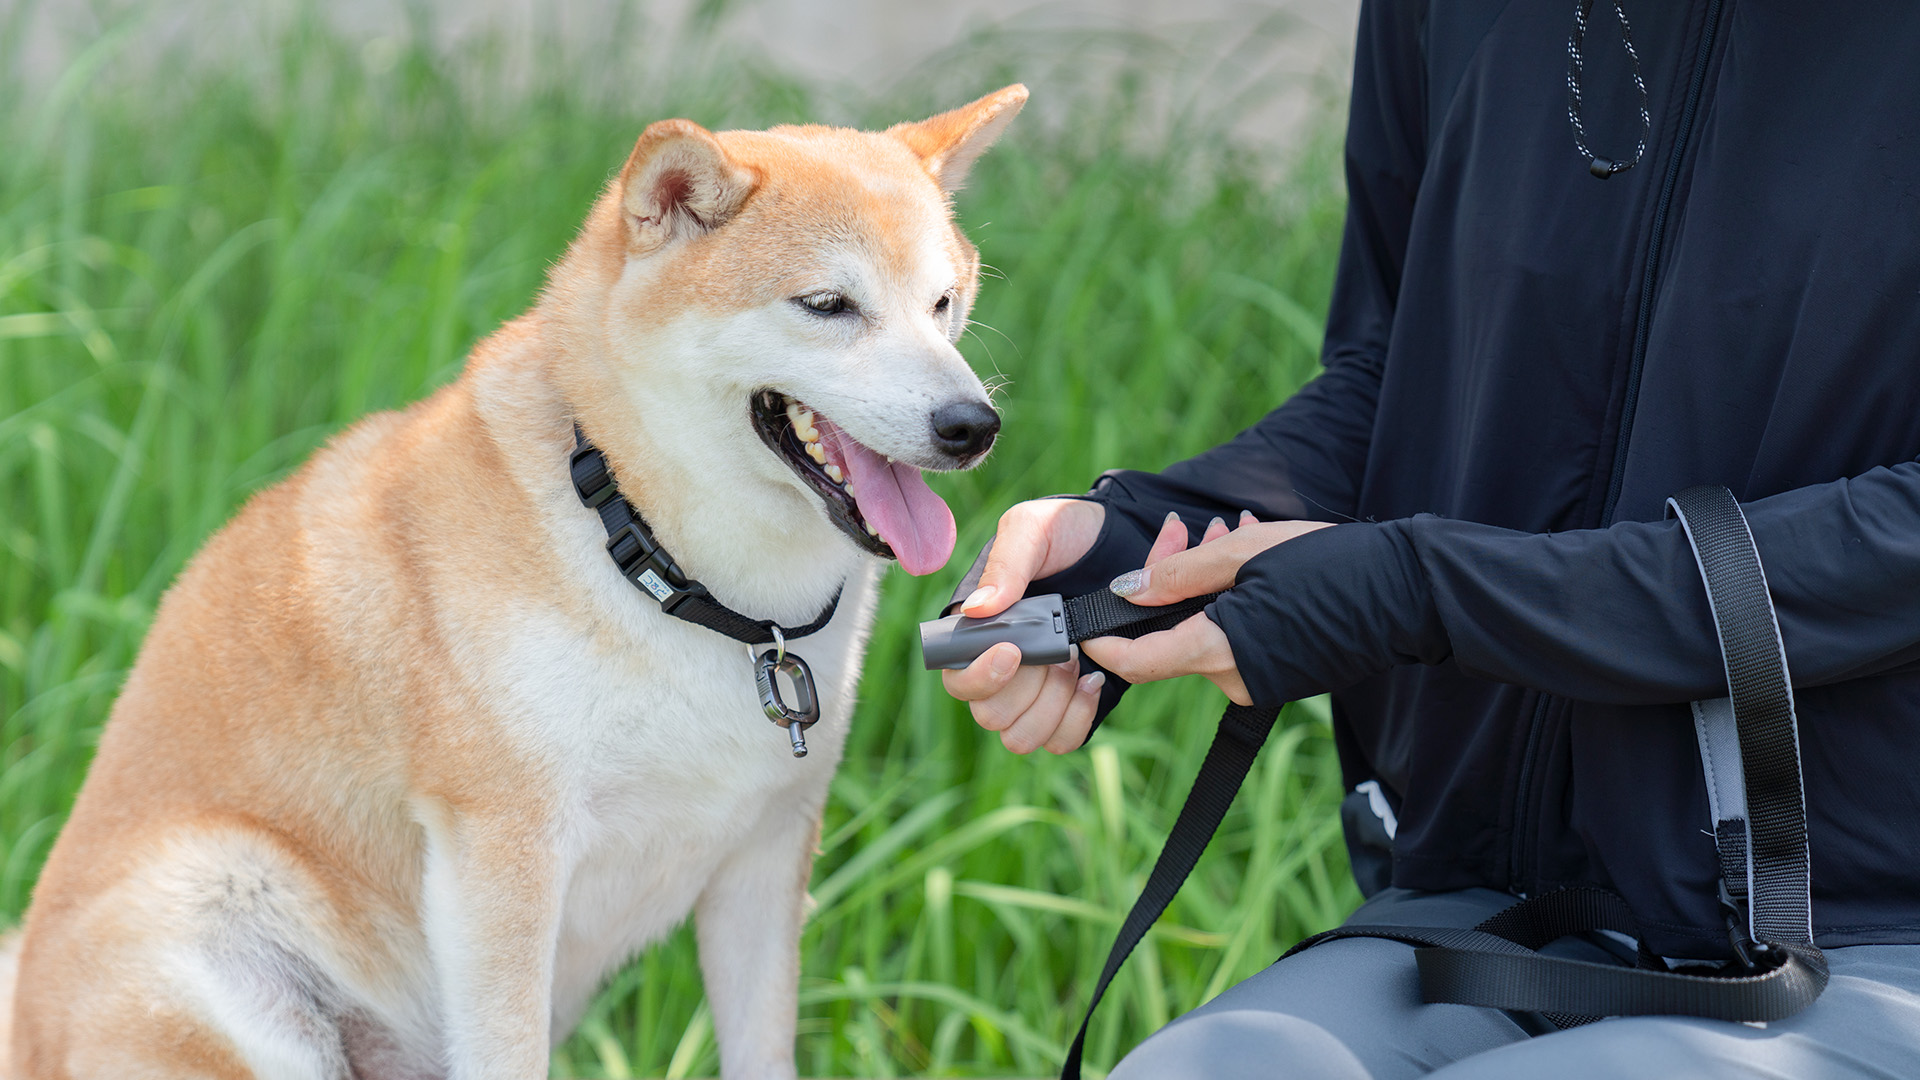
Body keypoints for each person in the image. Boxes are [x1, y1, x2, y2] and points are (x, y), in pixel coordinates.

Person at [939, 2, 1920, 1077]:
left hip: (1868, 928)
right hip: (1498, 908)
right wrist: (1134, 544)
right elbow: (1397, 374)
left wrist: (1418, 589)